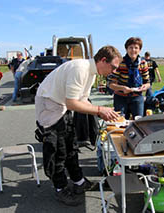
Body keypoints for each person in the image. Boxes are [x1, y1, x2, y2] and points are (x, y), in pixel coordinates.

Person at [35, 45, 121, 206]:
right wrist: (100, 110)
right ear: (103, 60)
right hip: (49, 103)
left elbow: (81, 100)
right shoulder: (80, 69)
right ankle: (60, 188)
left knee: (71, 145)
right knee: (58, 149)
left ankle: (79, 182)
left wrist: (101, 112)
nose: (114, 71)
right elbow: (72, 103)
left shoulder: (92, 73)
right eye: (113, 67)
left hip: (61, 104)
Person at [109, 37, 150, 120]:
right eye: (130, 47)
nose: (133, 50)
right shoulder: (120, 62)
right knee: (119, 121)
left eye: (136, 48)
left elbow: (148, 82)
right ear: (126, 49)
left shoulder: (143, 63)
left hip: (137, 98)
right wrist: (122, 88)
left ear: (140, 50)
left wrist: (145, 87)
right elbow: (111, 84)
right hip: (121, 98)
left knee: (138, 122)